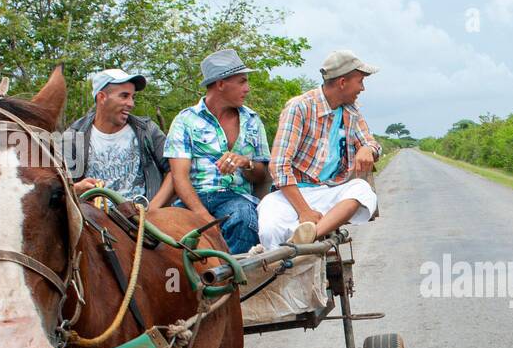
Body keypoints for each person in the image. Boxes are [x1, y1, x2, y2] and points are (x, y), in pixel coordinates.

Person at [258, 50, 381, 250]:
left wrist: (368, 148)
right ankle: (280, 266)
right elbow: (279, 165)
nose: (362, 88)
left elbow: (372, 143)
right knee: (269, 229)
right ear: (342, 82)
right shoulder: (300, 108)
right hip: (292, 193)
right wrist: (304, 211)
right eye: (360, 81)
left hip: (328, 190)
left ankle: (309, 235)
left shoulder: (351, 111)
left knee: (362, 190)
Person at [163, 49, 270, 255]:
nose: (247, 89)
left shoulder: (252, 121)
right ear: (221, 84)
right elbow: (179, 176)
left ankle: (234, 280)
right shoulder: (185, 120)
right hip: (193, 198)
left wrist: (244, 163)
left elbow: (261, 174)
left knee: (244, 219)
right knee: (169, 234)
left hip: (235, 198)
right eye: (242, 81)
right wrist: (202, 215)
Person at [62, 68, 174, 207]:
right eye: (124, 96)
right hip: (93, 222)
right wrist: (77, 189)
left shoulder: (147, 130)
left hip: (143, 220)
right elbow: (55, 190)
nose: (131, 104)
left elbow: (174, 170)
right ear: (102, 97)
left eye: (133, 97)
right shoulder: (73, 137)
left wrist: (151, 210)